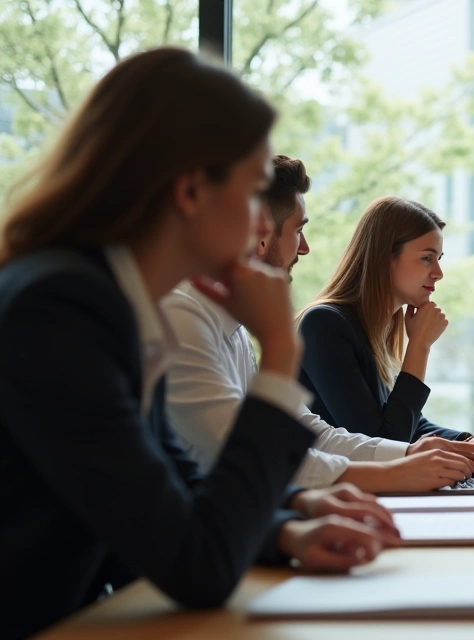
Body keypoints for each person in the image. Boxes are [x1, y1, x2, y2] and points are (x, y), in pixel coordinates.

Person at [0, 48, 399, 639]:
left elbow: (164, 493)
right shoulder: (58, 310)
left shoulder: (110, 301)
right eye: (254, 188)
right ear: (191, 192)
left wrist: (289, 524)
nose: (265, 225)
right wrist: (281, 356)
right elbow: (198, 566)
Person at [164, 155, 474, 493]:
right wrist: (398, 469)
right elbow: (251, 453)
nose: (305, 248)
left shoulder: (233, 332)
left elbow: (311, 434)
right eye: (298, 230)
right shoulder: (184, 322)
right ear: (259, 235)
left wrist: (416, 453)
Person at [297, 196, 474, 450]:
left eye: (438, 258)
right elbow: (384, 444)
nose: (438, 272)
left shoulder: (379, 328)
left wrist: (473, 443)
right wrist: (419, 346)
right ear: (385, 257)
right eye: (427, 258)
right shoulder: (324, 325)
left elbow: (407, 422)